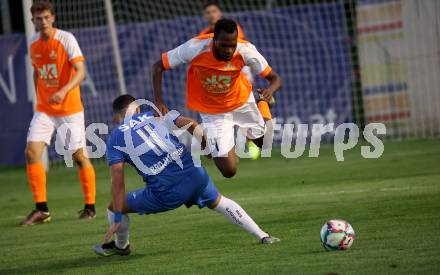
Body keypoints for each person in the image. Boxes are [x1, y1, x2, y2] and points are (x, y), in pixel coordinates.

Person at [93, 95, 279, 256]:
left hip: (165, 193)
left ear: (117, 118)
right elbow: (192, 123)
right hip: (195, 175)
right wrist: (207, 147)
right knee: (219, 202)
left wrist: (118, 216)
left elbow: (118, 181)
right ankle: (263, 235)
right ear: (139, 108)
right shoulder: (153, 115)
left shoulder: (115, 138)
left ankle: (121, 246)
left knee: (113, 206)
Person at [152, 18, 282, 178]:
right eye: (224, 45)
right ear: (214, 40)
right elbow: (158, 67)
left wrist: (269, 91)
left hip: (242, 102)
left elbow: (275, 79)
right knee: (229, 171)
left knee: (266, 144)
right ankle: (217, 144)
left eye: (232, 45)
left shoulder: (245, 50)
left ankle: (260, 101)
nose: (229, 50)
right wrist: (159, 101)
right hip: (213, 112)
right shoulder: (195, 47)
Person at [20, 0, 96, 225]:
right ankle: (41, 209)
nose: (42, 21)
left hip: (69, 108)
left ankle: (90, 207)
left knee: (78, 155)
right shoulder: (33, 43)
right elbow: (37, 72)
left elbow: (81, 71)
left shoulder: (66, 39)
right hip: (44, 109)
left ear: (52, 18)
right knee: (31, 153)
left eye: (46, 17)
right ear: (33, 20)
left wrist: (63, 91)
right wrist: (39, 98)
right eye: (38, 18)